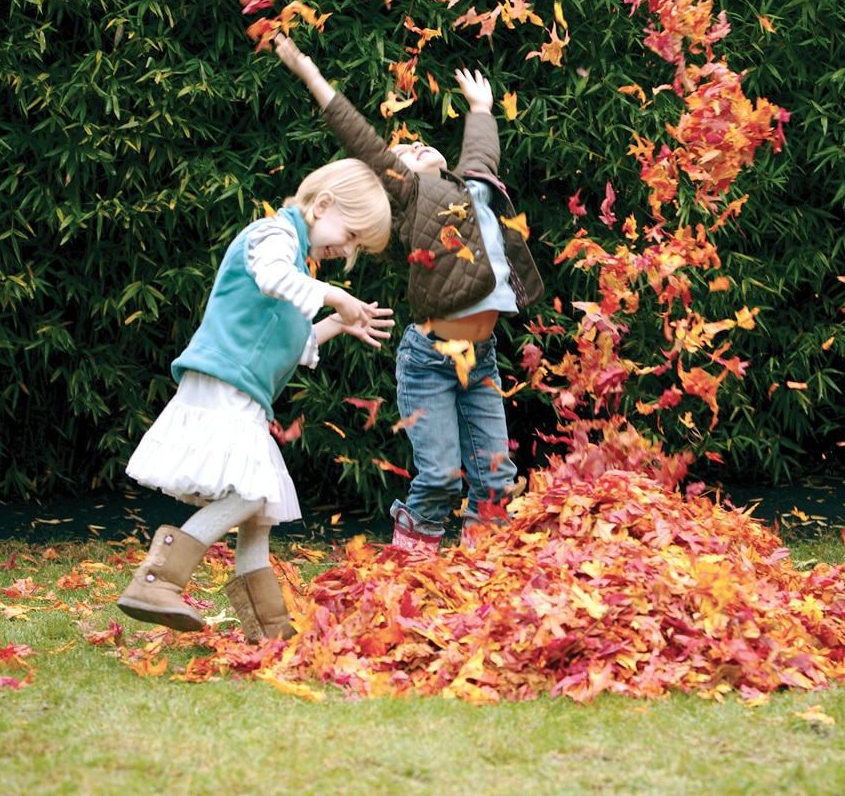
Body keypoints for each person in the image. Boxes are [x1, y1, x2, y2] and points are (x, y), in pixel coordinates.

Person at [273, 34, 544, 553]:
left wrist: (482, 107)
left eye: (421, 144)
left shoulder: (473, 187)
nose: (416, 145)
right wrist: (312, 78)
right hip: (430, 362)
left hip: (481, 359)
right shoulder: (410, 196)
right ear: (391, 182)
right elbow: (362, 140)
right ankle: (410, 563)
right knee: (441, 475)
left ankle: (484, 570)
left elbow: (481, 149)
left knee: (496, 476)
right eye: (405, 150)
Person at [117, 160, 394, 640]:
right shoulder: (273, 236)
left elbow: (287, 338)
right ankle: (156, 581)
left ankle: (268, 630)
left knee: (258, 517)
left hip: (243, 389)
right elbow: (271, 279)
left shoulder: (297, 262)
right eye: (350, 235)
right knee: (251, 493)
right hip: (225, 380)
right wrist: (333, 296)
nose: (346, 250)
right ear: (322, 204)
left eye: (356, 247)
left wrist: (337, 323)